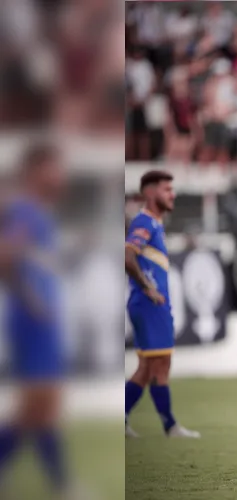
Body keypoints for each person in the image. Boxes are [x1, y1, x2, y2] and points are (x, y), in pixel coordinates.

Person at [0, 143, 71, 495]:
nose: (60, 175)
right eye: (54, 167)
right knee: (39, 406)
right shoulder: (26, 211)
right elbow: (5, 257)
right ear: (35, 171)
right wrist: (32, 301)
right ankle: (62, 486)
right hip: (32, 322)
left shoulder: (38, 212)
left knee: (42, 408)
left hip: (40, 321)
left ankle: (61, 485)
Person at [124, 169, 201, 439]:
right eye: (166, 189)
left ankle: (122, 419)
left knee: (146, 369)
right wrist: (148, 288)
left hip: (147, 305)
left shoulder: (154, 224)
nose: (173, 194)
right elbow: (127, 257)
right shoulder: (144, 223)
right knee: (160, 366)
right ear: (149, 192)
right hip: (149, 304)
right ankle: (170, 426)